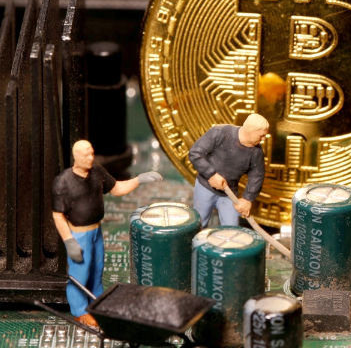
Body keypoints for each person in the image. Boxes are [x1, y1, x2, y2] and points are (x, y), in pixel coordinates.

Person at [52, 140, 163, 327]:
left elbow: (117, 189)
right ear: (76, 156)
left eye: (92, 153)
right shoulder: (63, 182)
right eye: (86, 155)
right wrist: (69, 241)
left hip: (96, 231)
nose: (90, 158)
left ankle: (97, 303)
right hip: (79, 235)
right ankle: (80, 312)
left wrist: (139, 179)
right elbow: (58, 215)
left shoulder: (97, 172)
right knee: (80, 274)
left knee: (97, 270)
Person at [188, 113, 269, 227]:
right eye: (261, 135)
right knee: (199, 223)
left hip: (229, 193)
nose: (263, 139)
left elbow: (257, 175)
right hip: (205, 188)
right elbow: (195, 153)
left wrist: (248, 198)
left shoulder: (256, 152)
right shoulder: (220, 132)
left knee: (232, 228)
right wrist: (211, 175)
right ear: (250, 131)